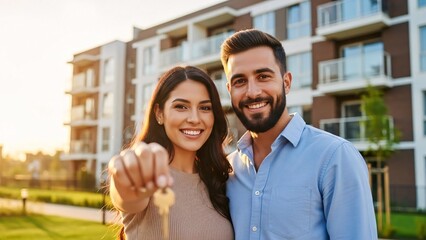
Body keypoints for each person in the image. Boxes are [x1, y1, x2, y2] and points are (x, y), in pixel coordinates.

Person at [220, 29, 378, 239]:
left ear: (286, 82)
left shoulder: (335, 157)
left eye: (263, 76)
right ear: (230, 90)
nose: (253, 92)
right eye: (240, 81)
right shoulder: (229, 171)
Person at [108, 66, 234, 240]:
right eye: (181, 106)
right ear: (159, 113)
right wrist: (126, 179)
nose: (195, 119)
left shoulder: (219, 180)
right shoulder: (147, 173)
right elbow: (128, 195)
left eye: (205, 108)